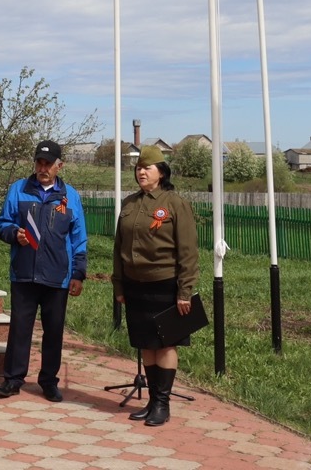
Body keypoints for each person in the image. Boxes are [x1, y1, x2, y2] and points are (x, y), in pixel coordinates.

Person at [0, 139, 87, 402]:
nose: (43, 168)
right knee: (20, 329)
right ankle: (13, 379)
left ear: (59, 166)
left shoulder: (71, 196)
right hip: (24, 273)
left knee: (53, 332)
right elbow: (3, 223)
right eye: (39, 163)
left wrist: (78, 274)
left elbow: (79, 238)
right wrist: (14, 233)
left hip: (58, 276)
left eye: (48, 164)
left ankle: (48, 381)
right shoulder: (18, 189)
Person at [113, 145, 198, 427]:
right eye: (138, 168)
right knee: (146, 344)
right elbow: (118, 247)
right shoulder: (130, 203)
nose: (141, 172)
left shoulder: (175, 204)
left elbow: (188, 251)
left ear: (161, 172)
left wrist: (185, 291)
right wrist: (119, 285)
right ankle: (151, 401)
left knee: (165, 344)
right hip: (135, 286)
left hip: (165, 284)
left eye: (147, 168)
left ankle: (162, 403)